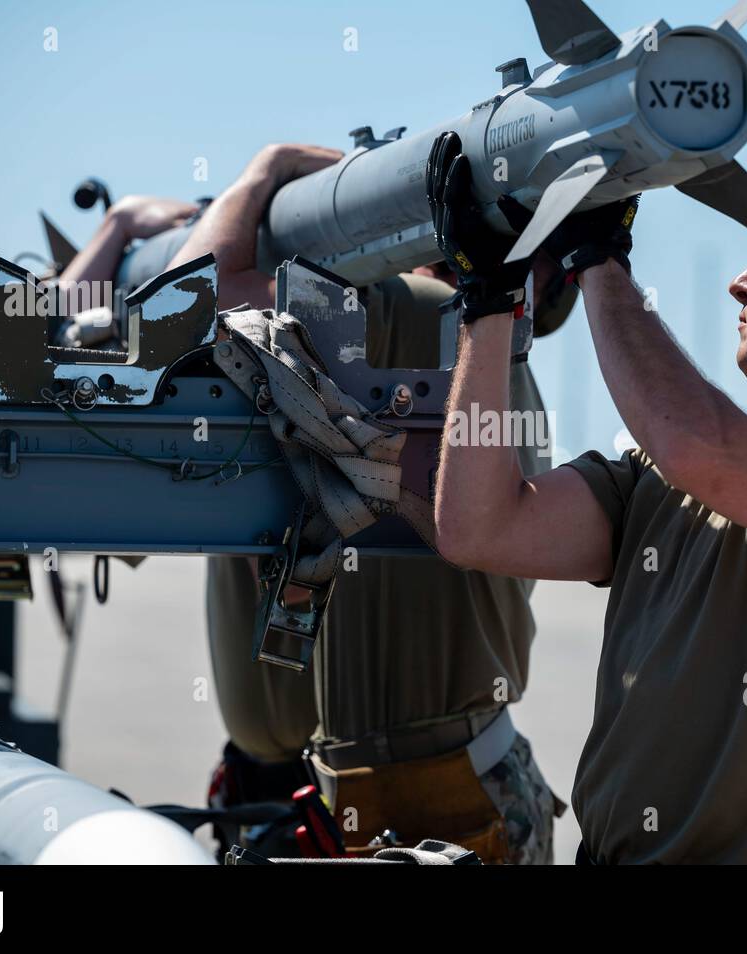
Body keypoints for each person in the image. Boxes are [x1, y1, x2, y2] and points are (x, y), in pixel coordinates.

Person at [427, 129, 747, 864]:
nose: (741, 282)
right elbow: (481, 529)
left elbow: (701, 445)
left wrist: (597, 260)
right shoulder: (665, 471)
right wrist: (489, 302)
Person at [145, 143, 575, 863]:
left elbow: (180, 304)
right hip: (433, 775)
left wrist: (267, 168)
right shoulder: (467, 340)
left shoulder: (418, 317)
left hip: (432, 786)